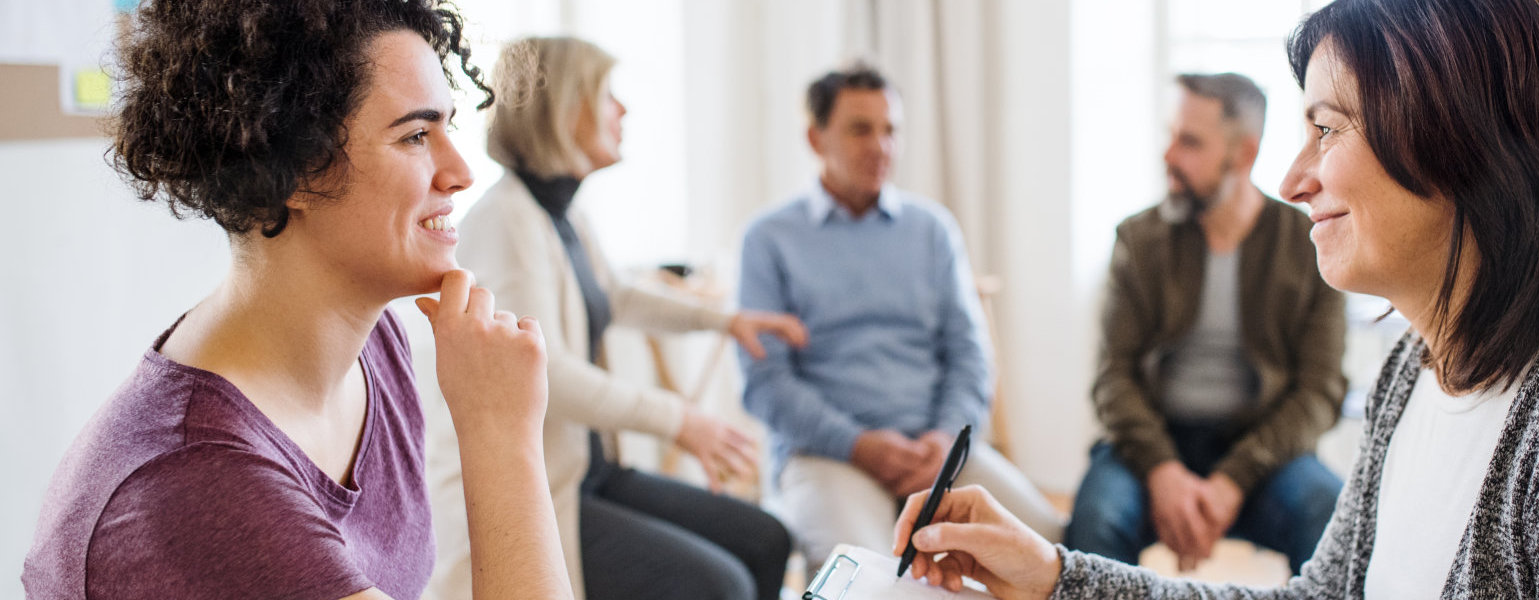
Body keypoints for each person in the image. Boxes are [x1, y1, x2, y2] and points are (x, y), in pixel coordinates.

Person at [887, 0, 1539, 598]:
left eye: (1326, 129)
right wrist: (1052, 575)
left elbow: (1308, 396)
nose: (1296, 177)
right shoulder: (1425, 358)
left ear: (1460, 141)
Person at [22, 1, 574, 598]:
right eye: (416, 135)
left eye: (448, 128)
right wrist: (502, 436)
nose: (462, 171)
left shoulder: (374, 348)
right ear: (296, 170)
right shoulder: (199, 485)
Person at [425, 36, 802, 600]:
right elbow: (547, 369)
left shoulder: (561, 211)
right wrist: (680, 420)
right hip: (550, 491)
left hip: (592, 472)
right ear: (564, 108)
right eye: (605, 95)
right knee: (720, 586)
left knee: (767, 538)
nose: (621, 110)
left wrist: (725, 321)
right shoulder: (507, 222)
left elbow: (616, 295)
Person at [737, 62, 1064, 569]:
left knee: (1050, 548)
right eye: (860, 129)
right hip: (829, 456)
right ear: (815, 137)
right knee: (864, 574)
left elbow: (969, 354)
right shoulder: (768, 239)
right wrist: (859, 445)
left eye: (891, 130)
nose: (881, 146)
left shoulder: (932, 230)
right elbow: (766, 383)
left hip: (937, 451)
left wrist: (944, 438)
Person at [1067, 72, 1346, 576]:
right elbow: (1113, 377)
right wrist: (1163, 470)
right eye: (1170, 135)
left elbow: (1320, 389)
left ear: (1243, 155)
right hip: (1150, 443)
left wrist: (1233, 479)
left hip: (1260, 448)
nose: (1168, 155)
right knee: (1094, 523)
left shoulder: (1307, 245)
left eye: (1190, 142)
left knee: (1329, 513)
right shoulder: (1138, 240)